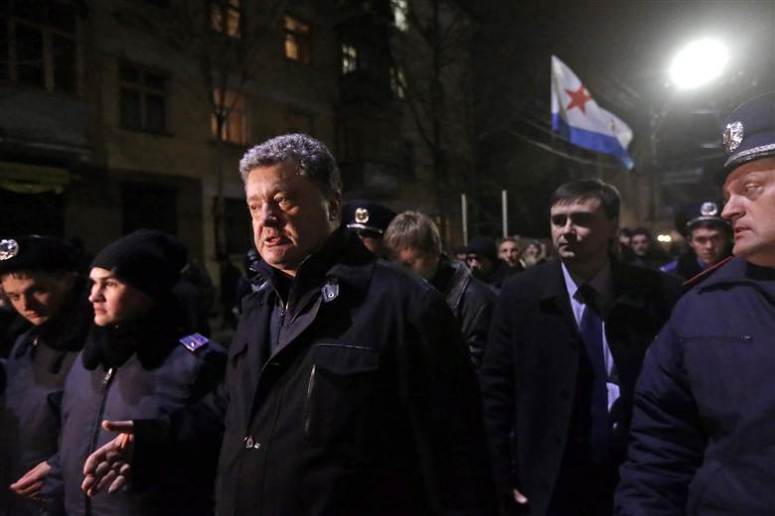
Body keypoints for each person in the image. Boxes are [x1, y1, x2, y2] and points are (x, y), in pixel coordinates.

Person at [80, 134, 495, 515]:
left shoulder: (405, 306)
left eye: (283, 200)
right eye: (256, 206)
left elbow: (456, 457)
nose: (267, 218)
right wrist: (155, 439)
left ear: (333, 205)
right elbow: (233, 405)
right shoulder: (259, 303)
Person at [480, 178, 681, 516]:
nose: (567, 231)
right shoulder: (520, 295)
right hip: (552, 476)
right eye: (559, 221)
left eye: (581, 220)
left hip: (634, 470)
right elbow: (495, 390)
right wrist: (501, 473)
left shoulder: (659, 293)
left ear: (613, 226)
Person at [615, 92, 775, 514]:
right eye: (728, 193)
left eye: (751, 189)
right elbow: (659, 451)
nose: (728, 209)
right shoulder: (700, 307)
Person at [19, 230, 226, 516]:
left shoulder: (197, 361)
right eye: (93, 284)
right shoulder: (88, 359)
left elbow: (213, 451)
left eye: (111, 284)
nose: (94, 295)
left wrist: (153, 454)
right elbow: (84, 433)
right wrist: (59, 467)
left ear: (148, 291)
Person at [0, 235, 91, 516]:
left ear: (67, 280)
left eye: (37, 290)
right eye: (13, 296)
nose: (25, 305)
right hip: (17, 493)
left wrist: (59, 469)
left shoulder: (91, 348)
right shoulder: (24, 340)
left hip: (57, 498)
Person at [384, 210, 496, 368]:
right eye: (394, 265)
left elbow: (475, 365)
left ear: (433, 254)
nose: (400, 273)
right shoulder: (397, 294)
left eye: (408, 264)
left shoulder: (476, 299)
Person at [660, 201, 732, 281]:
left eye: (716, 238)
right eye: (701, 240)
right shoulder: (672, 274)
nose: (709, 246)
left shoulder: (744, 269)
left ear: (727, 238)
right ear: (690, 241)